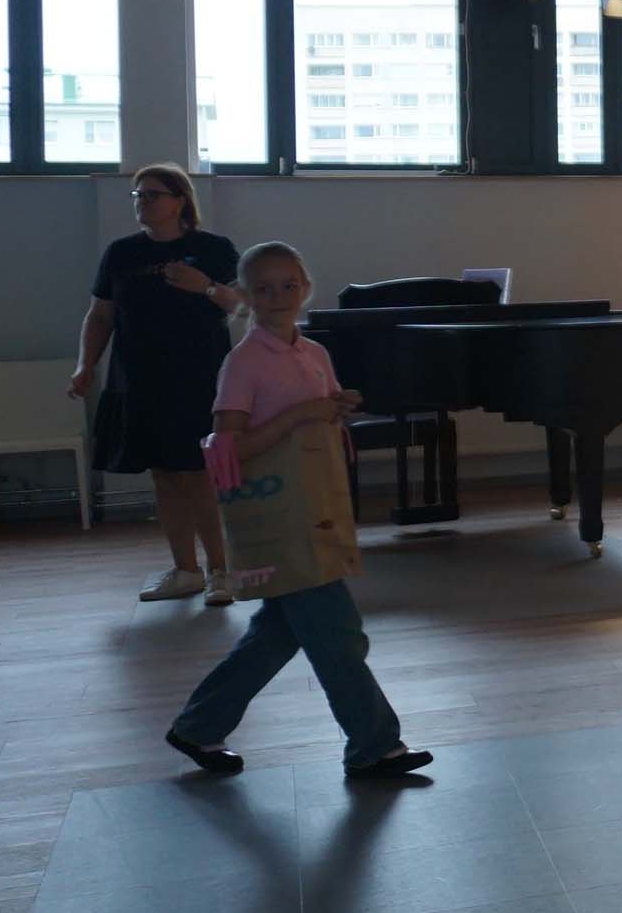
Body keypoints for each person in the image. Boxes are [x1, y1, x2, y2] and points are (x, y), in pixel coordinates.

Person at [165, 242, 429, 779]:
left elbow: (316, 417)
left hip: (317, 504)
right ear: (245, 295)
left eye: (288, 285)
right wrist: (301, 415)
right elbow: (229, 448)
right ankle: (374, 745)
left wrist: (338, 407)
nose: (278, 296)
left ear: (305, 288)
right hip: (281, 516)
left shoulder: (315, 353)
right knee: (338, 632)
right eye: (263, 288)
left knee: (278, 633)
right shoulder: (243, 363)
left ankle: (198, 726)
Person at [71, 163, 245, 606]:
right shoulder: (121, 253)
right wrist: (86, 365)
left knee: (198, 473)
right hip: (138, 377)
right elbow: (101, 315)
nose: (142, 202)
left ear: (179, 200)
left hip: (198, 376)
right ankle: (185, 570)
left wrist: (205, 287)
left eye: (151, 194)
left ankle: (221, 571)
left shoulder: (213, 248)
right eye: (137, 195)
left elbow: (242, 304)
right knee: (164, 473)